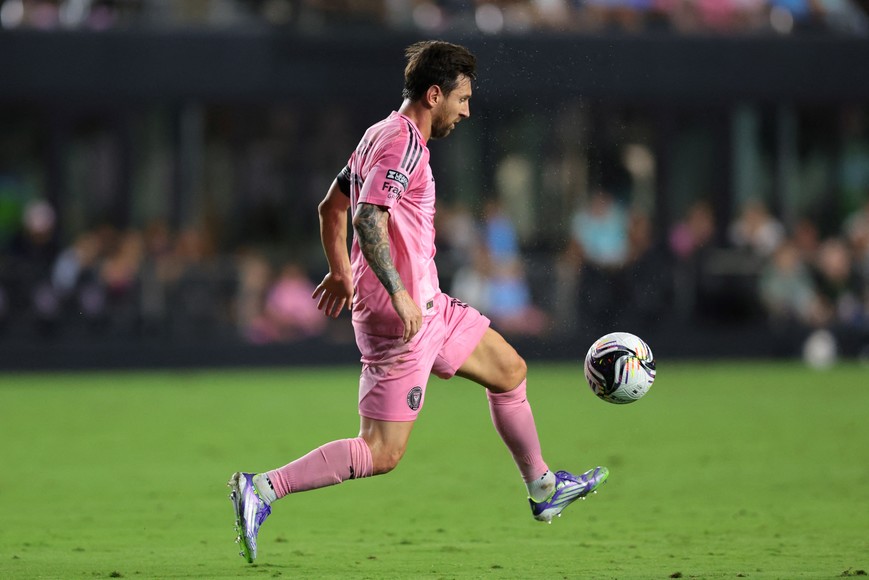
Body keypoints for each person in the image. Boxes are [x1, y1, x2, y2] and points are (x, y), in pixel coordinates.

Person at [227, 40, 609, 564]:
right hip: (402, 316)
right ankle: (262, 488)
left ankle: (543, 487)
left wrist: (342, 271)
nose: (467, 110)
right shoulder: (402, 142)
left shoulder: (377, 135)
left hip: (428, 307)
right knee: (382, 452)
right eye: (463, 98)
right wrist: (398, 294)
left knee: (510, 369)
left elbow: (330, 207)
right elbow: (365, 217)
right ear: (435, 94)